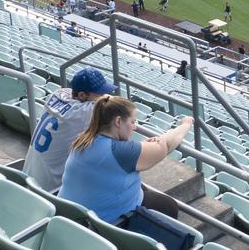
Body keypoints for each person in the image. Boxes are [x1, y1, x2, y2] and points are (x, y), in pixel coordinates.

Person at [59, 96, 193, 226]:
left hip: (70, 215)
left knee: (142, 188)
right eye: (132, 122)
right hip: (99, 225)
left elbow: (112, 160)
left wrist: (139, 148)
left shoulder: (83, 140)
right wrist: (186, 124)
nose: (134, 127)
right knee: (168, 206)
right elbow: (167, 145)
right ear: (118, 122)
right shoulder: (121, 151)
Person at [25, 68, 115, 191]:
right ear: (82, 95)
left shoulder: (58, 94)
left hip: (28, 178)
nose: (102, 97)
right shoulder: (83, 112)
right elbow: (117, 105)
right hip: (48, 190)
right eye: (99, 94)